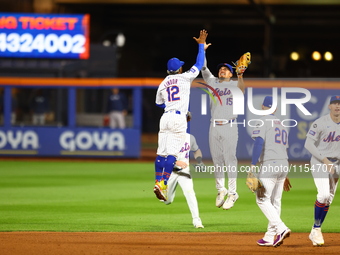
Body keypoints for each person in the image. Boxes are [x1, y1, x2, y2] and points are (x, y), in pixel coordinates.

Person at [153, 29, 208, 201]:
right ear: (179, 68)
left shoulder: (162, 83)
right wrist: (200, 46)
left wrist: (171, 105)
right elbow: (199, 64)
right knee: (173, 155)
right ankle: (164, 183)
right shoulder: (184, 77)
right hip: (178, 118)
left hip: (165, 117)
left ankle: (157, 181)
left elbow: (158, 103)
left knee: (161, 154)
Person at [201, 46, 246, 210]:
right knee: (217, 161)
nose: (222, 70)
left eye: (226, 69)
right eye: (220, 69)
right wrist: (202, 50)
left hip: (229, 126)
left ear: (231, 74)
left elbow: (242, 89)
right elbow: (204, 68)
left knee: (230, 161)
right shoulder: (212, 82)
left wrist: (240, 75)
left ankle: (233, 193)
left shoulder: (235, 84)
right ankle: (221, 189)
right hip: (214, 126)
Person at [249, 96, 291, 247]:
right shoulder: (282, 125)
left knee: (261, 198)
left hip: (270, 164)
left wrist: (253, 166)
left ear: (262, 106)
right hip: (283, 164)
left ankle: (281, 228)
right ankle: (269, 236)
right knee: (275, 201)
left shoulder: (263, 121)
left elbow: (259, 142)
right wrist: (284, 174)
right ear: (276, 109)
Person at [158, 112, 205, 228]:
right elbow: (161, 159)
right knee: (167, 200)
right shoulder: (167, 137)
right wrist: (175, 162)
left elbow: (196, 150)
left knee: (190, 192)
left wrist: (199, 161)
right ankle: (164, 192)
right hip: (170, 171)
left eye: (186, 119)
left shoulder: (190, 137)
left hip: (185, 171)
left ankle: (197, 221)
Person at [304, 95, 340, 247]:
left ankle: (315, 229)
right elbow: (309, 144)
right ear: (329, 106)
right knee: (324, 195)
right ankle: (317, 228)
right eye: (334, 103)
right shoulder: (320, 123)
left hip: (337, 163)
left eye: (339, 103)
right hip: (320, 161)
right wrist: (324, 160)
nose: (337, 106)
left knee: (329, 200)